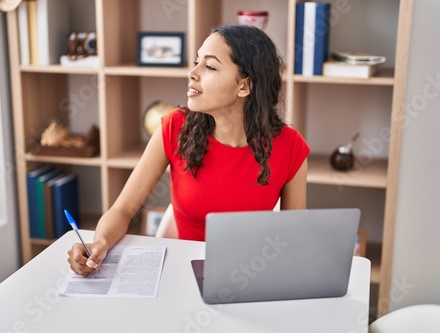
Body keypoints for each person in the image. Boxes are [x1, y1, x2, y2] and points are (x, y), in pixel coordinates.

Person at [68, 24, 310, 276]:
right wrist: (100, 243)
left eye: (210, 66)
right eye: (196, 62)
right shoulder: (175, 127)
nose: (192, 73)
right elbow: (123, 209)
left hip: (251, 276)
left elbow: (293, 236)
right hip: (183, 273)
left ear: (245, 86)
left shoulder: (290, 146)